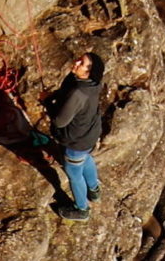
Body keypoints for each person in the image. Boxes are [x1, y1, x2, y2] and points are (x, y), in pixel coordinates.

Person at [44, 52, 107, 222]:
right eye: (80, 59)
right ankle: (93, 190)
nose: (77, 62)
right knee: (86, 158)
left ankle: (82, 210)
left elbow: (60, 121)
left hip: (76, 141)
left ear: (88, 72)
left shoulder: (79, 93)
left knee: (74, 173)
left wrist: (47, 103)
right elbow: (67, 92)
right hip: (90, 134)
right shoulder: (94, 84)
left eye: (82, 63)